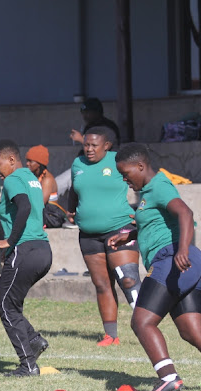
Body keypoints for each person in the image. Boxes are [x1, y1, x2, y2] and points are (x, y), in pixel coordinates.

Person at [109, 144, 201, 391]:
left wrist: (182, 249)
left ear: (141, 166)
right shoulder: (149, 192)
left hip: (173, 260)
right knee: (192, 330)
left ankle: (168, 379)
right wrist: (130, 236)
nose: (124, 179)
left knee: (142, 322)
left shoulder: (159, 186)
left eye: (126, 173)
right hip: (187, 264)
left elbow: (185, 213)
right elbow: (159, 223)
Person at [68, 127, 142, 346]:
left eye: (94, 145)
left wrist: (142, 212)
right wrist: (71, 211)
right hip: (89, 235)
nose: (89, 149)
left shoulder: (118, 161)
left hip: (120, 229)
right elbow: (74, 191)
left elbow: (143, 181)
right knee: (102, 285)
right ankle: (111, 335)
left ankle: (146, 326)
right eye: (86, 145)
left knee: (128, 279)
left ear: (107, 146)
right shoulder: (78, 164)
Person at [0, 140, 52, 376]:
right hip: (42, 250)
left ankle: (27, 364)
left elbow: (23, 208)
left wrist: (10, 240)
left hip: (25, 250)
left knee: (6, 304)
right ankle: (34, 340)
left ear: (11, 160)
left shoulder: (14, 179)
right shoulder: (30, 178)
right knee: (0, 300)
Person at [58, 98, 121, 201]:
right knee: (59, 184)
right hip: (85, 165)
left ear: (97, 112)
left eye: (88, 112)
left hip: (105, 167)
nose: (85, 116)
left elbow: (105, 147)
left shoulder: (108, 126)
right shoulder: (89, 126)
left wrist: (81, 139)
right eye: (83, 113)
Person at [25, 145, 67, 228]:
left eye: (30, 161)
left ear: (39, 163)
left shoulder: (47, 179)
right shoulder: (32, 176)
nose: (27, 164)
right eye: (27, 160)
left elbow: (40, 203)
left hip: (51, 216)